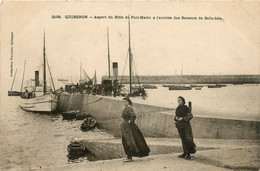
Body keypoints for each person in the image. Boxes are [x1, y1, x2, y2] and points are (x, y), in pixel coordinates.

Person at [120, 97, 150, 162]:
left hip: (129, 127)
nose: (124, 103)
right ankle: (128, 157)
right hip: (126, 127)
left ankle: (129, 157)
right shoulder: (127, 108)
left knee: (130, 141)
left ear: (128, 102)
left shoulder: (129, 108)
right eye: (123, 102)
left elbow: (133, 116)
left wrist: (130, 121)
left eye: (125, 101)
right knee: (126, 141)